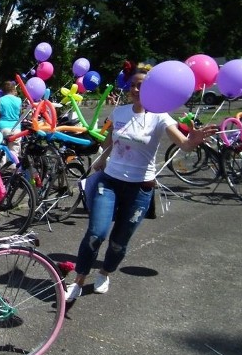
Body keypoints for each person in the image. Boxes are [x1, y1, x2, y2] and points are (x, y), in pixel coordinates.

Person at [63, 63, 217, 302]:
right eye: (133, 85)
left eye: (142, 85)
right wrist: (97, 144)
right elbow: (108, 142)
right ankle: (78, 281)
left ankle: (105, 272)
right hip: (109, 182)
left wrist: (193, 140)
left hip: (140, 189)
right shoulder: (119, 112)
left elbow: (184, 145)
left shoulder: (160, 117)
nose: (136, 89)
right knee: (96, 233)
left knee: (119, 242)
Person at [0, 80, 22, 159]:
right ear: (13, 89)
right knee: (14, 152)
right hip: (16, 128)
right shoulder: (19, 100)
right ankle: (12, 168)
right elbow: (20, 114)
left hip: (2, 128)